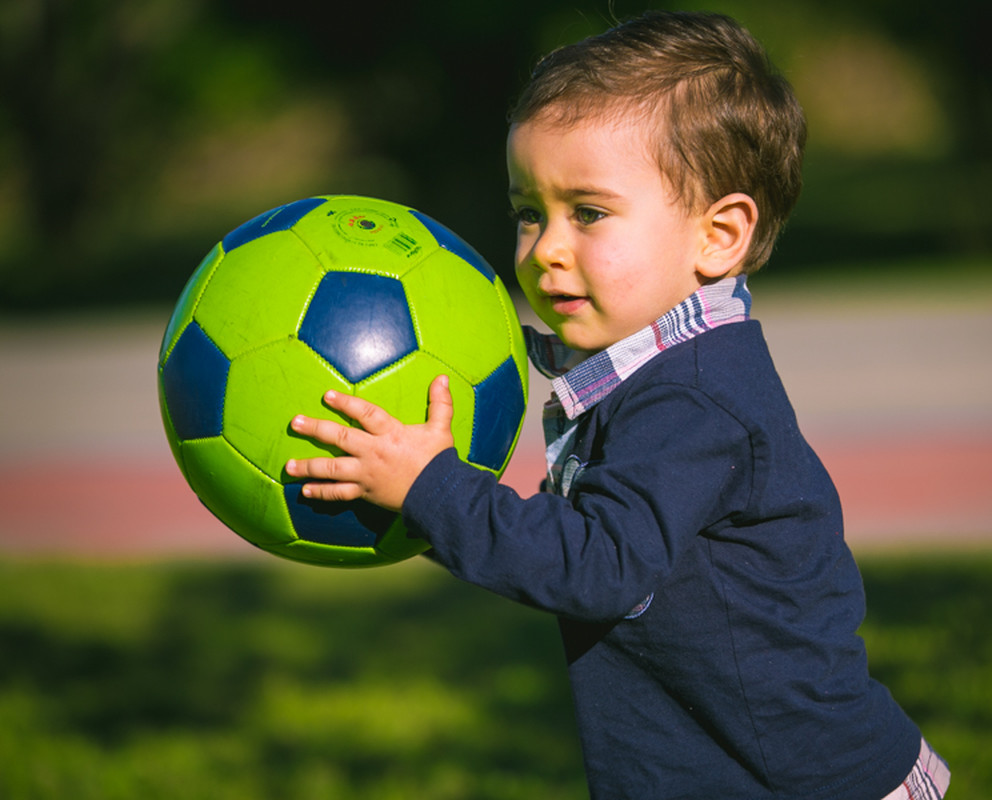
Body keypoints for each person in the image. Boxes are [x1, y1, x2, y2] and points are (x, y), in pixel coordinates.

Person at [286, 10, 950, 799]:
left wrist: (432, 488)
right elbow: (565, 543)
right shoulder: (655, 374)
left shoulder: (698, 399)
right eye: (529, 212)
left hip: (802, 782)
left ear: (718, 235)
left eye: (588, 213)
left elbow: (594, 564)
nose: (545, 248)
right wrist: (414, 500)